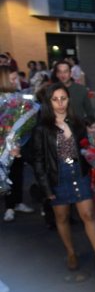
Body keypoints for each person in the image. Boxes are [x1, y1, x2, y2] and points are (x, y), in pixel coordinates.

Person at [31, 83, 95, 272]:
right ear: (48, 102)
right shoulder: (42, 129)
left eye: (64, 98)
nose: (60, 103)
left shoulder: (77, 122)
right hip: (57, 177)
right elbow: (38, 161)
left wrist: (91, 148)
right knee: (62, 216)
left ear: (69, 99)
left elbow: (85, 147)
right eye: (55, 99)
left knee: (89, 214)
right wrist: (46, 188)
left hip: (79, 172)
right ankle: (70, 252)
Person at [1, 66, 36, 222]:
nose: (17, 82)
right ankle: (9, 207)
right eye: (13, 79)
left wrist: (18, 139)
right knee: (5, 175)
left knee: (17, 172)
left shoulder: (19, 98)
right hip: (2, 146)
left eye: (17, 78)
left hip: (17, 144)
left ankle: (18, 201)